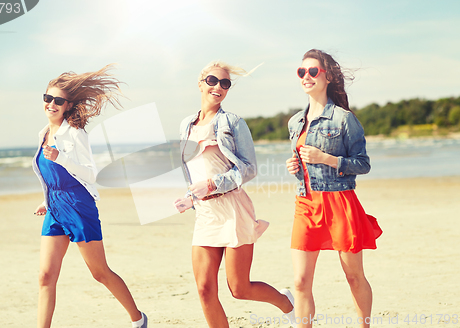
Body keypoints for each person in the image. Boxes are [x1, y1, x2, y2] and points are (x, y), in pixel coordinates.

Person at [173, 61, 295, 328]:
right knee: (205, 289)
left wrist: (213, 185)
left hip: (232, 210)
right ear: (200, 83)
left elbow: (249, 169)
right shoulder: (186, 125)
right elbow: (193, 168)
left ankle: (286, 303)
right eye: (213, 81)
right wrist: (190, 197)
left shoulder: (232, 122)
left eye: (225, 83)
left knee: (239, 288)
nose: (218, 87)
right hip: (205, 214)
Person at [32, 65, 147, 328]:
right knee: (45, 276)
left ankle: (138, 319)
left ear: (67, 105)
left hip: (78, 207)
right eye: (48, 98)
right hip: (55, 208)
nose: (51, 104)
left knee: (100, 272)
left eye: (58, 100)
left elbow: (90, 174)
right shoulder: (43, 134)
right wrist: (46, 200)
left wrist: (60, 158)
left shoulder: (75, 133)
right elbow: (51, 176)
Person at [286, 49, 383, 328]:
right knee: (300, 280)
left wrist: (325, 158)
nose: (306, 76)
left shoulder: (343, 119)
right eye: (301, 71)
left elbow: (362, 164)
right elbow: (304, 162)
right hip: (306, 204)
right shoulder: (295, 122)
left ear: (327, 76)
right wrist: (296, 166)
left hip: (340, 203)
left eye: (313, 71)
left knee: (353, 276)